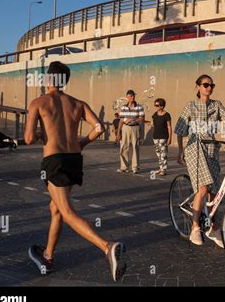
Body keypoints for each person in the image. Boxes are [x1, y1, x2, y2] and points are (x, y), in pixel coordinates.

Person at [24, 61, 127, 282]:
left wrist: (45, 135)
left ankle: (106, 246)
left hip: (55, 161)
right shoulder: (77, 103)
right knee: (57, 209)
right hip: (74, 159)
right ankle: (48, 255)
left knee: (67, 212)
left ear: (49, 79)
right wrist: (80, 143)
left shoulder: (38, 102)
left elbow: (29, 138)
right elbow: (99, 127)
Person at [174, 74, 225, 247]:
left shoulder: (217, 105)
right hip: (195, 148)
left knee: (215, 191)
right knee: (202, 188)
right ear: (198, 87)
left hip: (212, 149)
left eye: (211, 85)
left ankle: (213, 227)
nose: (209, 88)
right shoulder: (191, 106)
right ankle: (195, 227)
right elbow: (180, 129)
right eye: (205, 85)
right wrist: (180, 150)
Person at [116, 90, 145, 174]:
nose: (133, 97)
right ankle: (124, 167)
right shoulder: (123, 107)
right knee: (124, 147)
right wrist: (118, 133)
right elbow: (121, 120)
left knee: (135, 147)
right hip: (125, 128)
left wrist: (133, 119)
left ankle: (135, 167)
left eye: (133, 96)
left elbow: (142, 118)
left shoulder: (139, 107)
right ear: (127, 97)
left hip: (135, 127)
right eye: (131, 96)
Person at [151, 98, 172, 176]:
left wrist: (170, 138)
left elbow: (169, 126)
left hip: (163, 137)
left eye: (157, 105)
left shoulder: (167, 115)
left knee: (163, 154)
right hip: (155, 136)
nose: (155, 106)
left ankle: (164, 169)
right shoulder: (154, 115)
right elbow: (154, 124)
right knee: (158, 154)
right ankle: (160, 168)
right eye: (155, 105)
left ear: (162, 106)